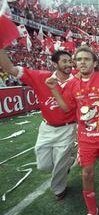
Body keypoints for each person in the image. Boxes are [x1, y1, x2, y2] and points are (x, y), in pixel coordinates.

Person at [45, 46, 99, 215]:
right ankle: (92, 211)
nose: (82, 62)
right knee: (87, 173)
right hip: (85, 138)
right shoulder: (72, 83)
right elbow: (66, 107)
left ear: (95, 62)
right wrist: (54, 90)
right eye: (79, 59)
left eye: (87, 59)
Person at [0, 49, 76, 201]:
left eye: (70, 61)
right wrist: (1, 49)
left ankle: (59, 190)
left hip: (68, 127)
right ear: (54, 64)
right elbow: (10, 69)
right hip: (46, 128)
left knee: (59, 163)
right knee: (43, 166)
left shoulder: (76, 82)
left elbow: (69, 107)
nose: (69, 64)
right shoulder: (40, 76)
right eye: (64, 61)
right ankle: (69, 161)